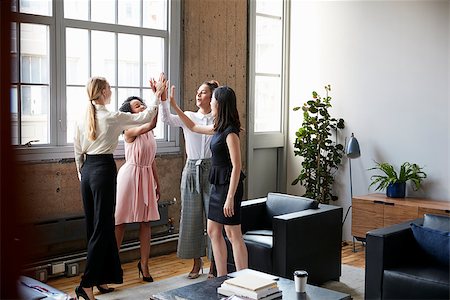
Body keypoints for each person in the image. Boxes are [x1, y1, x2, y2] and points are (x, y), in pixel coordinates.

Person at [73, 75, 166, 300]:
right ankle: (86, 285)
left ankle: (100, 280)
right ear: (103, 92)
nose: (111, 91)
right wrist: (156, 95)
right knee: (103, 228)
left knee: (94, 228)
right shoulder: (112, 117)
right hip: (103, 169)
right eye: (109, 88)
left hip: (87, 171)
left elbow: (77, 151)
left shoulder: (83, 117)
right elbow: (145, 116)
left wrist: (82, 175)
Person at [165, 85, 248, 277]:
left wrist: (229, 198)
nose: (210, 102)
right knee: (212, 231)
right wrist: (174, 106)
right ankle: (221, 277)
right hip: (217, 185)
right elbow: (193, 126)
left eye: (213, 100)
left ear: (219, 103)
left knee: (233, 234)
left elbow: (237, 166)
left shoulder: (230, 132)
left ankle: (245, 279)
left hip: (229, 186)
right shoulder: (217, 128)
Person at [158, 80, 218, 279]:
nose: (199, 96)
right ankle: (196, 262)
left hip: (212, 169)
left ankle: (215, 264)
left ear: (213, 96)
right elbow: (166, 119)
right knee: (191, 217)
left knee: (213, 219)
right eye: (197, 92)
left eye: (203, 93)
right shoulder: (190, 116)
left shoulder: (218, 119)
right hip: (191, 168)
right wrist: (164, 99)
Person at [114, 96, 160, 283]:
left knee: (146, 222)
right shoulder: (129, 130)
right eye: (137, 105)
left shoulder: (149, 133)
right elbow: (149, 125)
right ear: (129, 112)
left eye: (142, 104)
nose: (142, 107)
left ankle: (144, 265)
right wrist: (158, 99)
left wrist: (157, 182)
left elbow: (152, 158)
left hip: (146, 175)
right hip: (130, 176)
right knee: (120, 222)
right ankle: (112, 266)